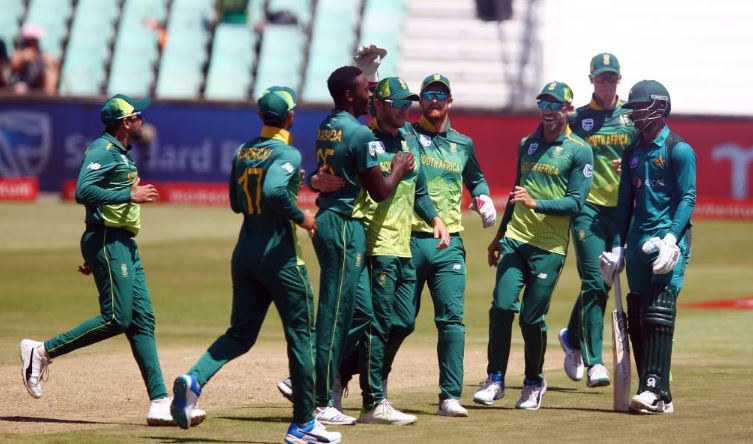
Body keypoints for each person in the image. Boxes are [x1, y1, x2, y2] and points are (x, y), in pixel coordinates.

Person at [19, 94, 205, 426]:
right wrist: (128, 195)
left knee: (142, 320)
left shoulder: (120, 153)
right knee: (118, 317)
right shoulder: (102, 150)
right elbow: (82, 191)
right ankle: (42, 351)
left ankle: (159, 402)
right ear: (124, 123)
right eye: (137, 116)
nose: (142, 120)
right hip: (108, 239)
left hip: (121, 243)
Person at [168, 86, 340, 443]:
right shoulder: (287, 152)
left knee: (241, 334)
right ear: (290, 116)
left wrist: (285, 187)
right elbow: (274, 191)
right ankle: (304, 424)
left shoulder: (243, 150)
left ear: (263, 116)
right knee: (301, 338)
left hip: (245, 252)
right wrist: (302, 217)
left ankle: (194, 380)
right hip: (279, 257)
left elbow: (236, 202)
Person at [297, 65, 416, 426]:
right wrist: (399, 168)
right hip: (344, 224)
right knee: (335, 315)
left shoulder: (327, 125)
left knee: (360, 313)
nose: (371, 95)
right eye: (367, 90)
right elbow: (380, 191)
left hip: (335, 221)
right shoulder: (360, 133)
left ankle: (318, 376)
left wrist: (315, 182)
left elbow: (328, 172)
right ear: (350, 95)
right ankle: (319, 400)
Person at [373, 73, 495, 418]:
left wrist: (483, 197)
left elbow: (476, 178)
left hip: (449, 242)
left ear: (450, 101)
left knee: (452, 320)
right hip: (408, 239)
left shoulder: (463, 144)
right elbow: (377, 123)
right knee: (398, 321)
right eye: (428, 95)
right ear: (421, 100)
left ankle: (450, 397)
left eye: (441, 95)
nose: (435, 101)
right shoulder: (406, 135)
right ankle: (377, 386)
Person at [473, 82, 593, 410]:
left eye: (556, 105)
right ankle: (495, 379)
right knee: (501, 307)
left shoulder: (579, 150)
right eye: (544, 103)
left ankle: (534, 381)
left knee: (530, 318)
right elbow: (517, 192)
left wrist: (536, 203)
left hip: (549, 248)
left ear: (569, 109)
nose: (548, 110)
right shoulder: (527, 144)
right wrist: (499, 236)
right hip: (516, 240)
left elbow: (576, 202)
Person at [347, 76, 449, 425]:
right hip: (376, 243)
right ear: (379, 105)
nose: (406, 110)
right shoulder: (367, 140)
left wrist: (435, 218)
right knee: (377, 324)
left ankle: (340, 372)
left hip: (403, 244)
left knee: (403, 322)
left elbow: (419, 189)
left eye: (409, 104)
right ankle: (373, 402)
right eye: (398, 104)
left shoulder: (408, 139)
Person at [599, 80, 695, 414]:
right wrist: (617, 246)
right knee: (639, 314)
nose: (634, 115)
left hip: (667, 241)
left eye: (639, 109)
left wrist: (671, 239)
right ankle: (655, 392)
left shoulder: (678, 150)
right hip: (638, 239)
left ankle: (655, 388)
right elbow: (624, 202)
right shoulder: (632, 152)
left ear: (658, 107)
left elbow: (687, 197)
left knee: (658, 311)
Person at [558, 53, 638, 387]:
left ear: (619, 79)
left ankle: (572, 336)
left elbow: (646, 154)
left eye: (611, 78)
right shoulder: (578, 119)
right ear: (591, 79)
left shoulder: (631, 117)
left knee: (604, 281)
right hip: (587, 208)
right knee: (595, 278)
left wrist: (631, 165)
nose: (606, 83)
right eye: (601, 78)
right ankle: (595, 363)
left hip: (622, 210)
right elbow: (556, 151)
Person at [9, 24, 59, 95]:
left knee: (51, 75)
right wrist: (23, 59)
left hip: (39, 84)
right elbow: (12, 68)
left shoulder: (42, 53)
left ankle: (49, 99)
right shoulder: (20, 52)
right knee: (20, 88)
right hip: (23, 84)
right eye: (31, 39)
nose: (34, 41)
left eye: (35, 39)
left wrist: (50, 62)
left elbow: (55, 65)